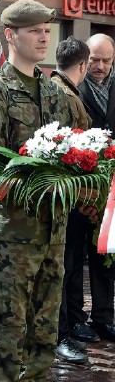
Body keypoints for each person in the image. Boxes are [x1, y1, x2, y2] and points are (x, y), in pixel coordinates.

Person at [0, 0, 75, 382]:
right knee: (6, 338)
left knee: (44, 334)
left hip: (52, 234)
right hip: (10, 236)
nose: (44, 37)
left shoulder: (56, 94)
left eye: (47, 31)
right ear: (11, 36)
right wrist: (34, 181)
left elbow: (72, 153)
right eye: (35, 31)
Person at [50, 36, 93, 365]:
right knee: (61, 269)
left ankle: (63, 329)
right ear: (83, 65)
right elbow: (71, 152)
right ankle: (60, 333)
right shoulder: (65, 96)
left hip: (62, 197)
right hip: (67, 199)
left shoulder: (57, 89)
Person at [78, 33, 115, 343]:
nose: (100, 66)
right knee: (78, 256)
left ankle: (104, 316)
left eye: (106, 61)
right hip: (82, 188)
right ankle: (78, 319)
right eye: (94, 60)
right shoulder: (74, 88)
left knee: (107, 252)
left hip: (113, 188)